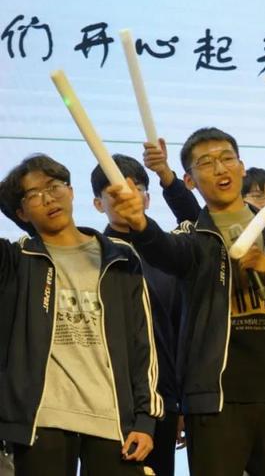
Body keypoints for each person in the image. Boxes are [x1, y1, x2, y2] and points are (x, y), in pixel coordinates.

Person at [108, 128, 265, 476]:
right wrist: (140, 224)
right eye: (206, 163)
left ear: (242, 167)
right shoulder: (191, 237)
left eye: (227, 158)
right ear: (190, 180)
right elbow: (165, 251)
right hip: (213, 402)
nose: (220, 168)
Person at [0, 154, 162, 476]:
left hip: (113, 419)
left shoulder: (120, 256)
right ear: (21, 213)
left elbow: (142, 343)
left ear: (71, 191)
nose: (48, 198)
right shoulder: (16, 261)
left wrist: (145, 419)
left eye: (54, 186)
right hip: (41, 421)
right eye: (34, 195)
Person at [91, 155, 184, 476]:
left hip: (163, 401)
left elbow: (178, 332)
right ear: (98, 204)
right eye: (114, 193)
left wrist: (179, 404)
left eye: (137, 189)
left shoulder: (170, 254)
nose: (127, 198)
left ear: (147, 197)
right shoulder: (91, 255)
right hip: (105, 402)